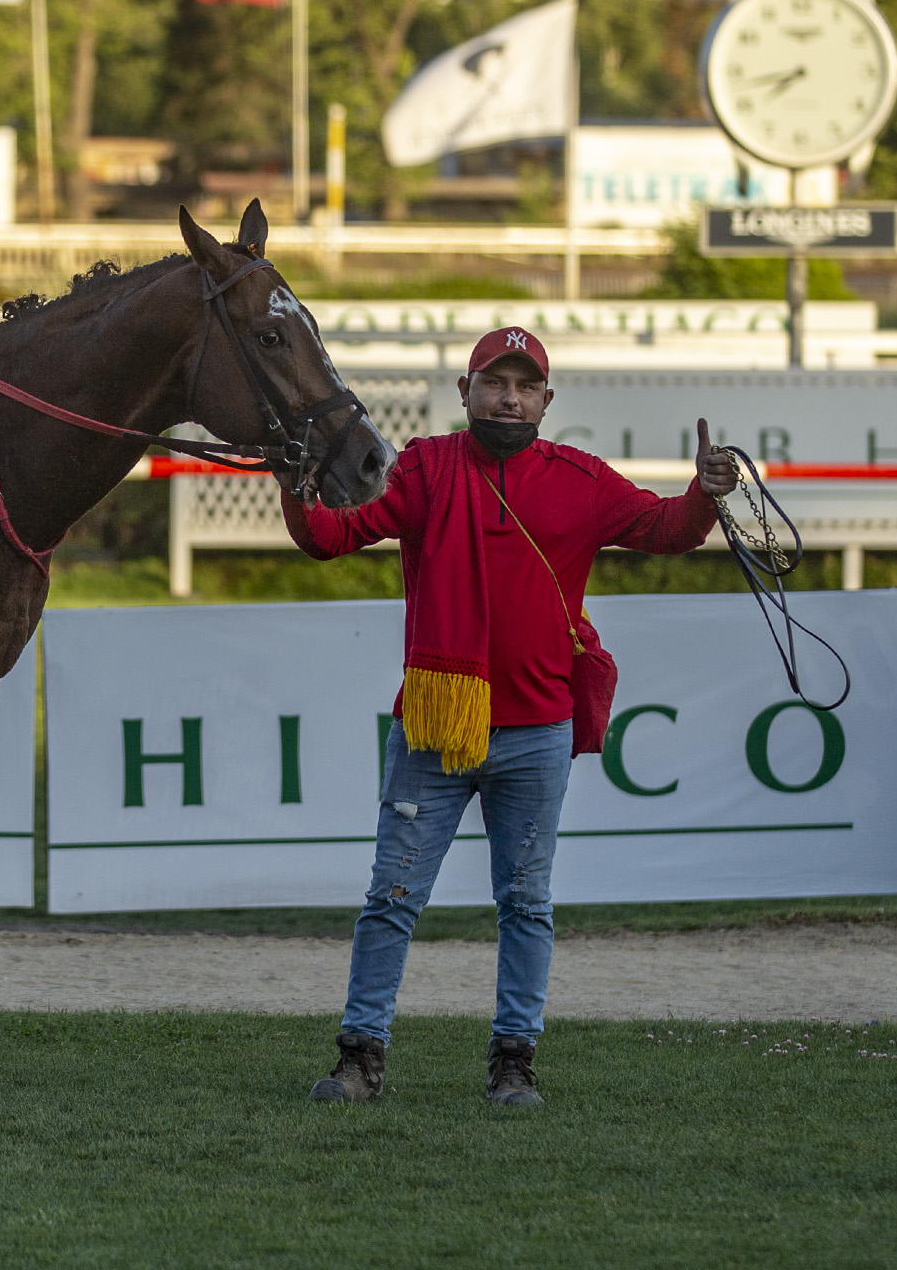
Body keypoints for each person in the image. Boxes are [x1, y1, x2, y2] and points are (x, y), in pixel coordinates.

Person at [287, 325, 739, 1108]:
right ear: (465, 392)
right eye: (495, 383)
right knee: (391, 900)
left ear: (546, 400)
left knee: (526, 905)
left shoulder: (581, 479)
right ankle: (359, 1058)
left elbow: (668, 529)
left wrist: (705, 491)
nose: (509, 397)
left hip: (537, 732)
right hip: (434, 730)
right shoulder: (424, 468)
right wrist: (295, 488)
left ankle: (514, 1062)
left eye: (525, 386)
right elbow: (333, 537)